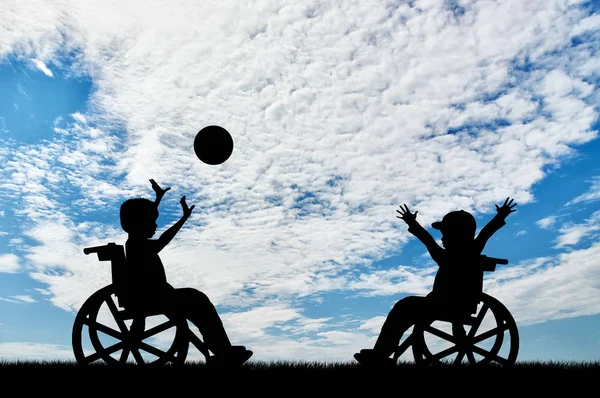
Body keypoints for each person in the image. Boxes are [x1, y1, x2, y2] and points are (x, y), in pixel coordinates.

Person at [354, 198, 517, 366]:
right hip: (454, 303)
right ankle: (382, 353)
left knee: (403, 307)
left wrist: (412, 222)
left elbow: (428, 240)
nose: (442, 239)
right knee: (405, 310)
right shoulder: (469, 251)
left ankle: (381, 353)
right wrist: (500, 216)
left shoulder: (451, 255)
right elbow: (484, 234)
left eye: (446, 234)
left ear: (458, 234)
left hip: (443, 304)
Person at [119, 178, 253, 366]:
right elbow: (162, 240)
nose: (155, 226)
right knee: (199, 302)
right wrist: (183, 219)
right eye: (152, 222)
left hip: (156, 295)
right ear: (138, 224)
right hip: (155, 297)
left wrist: (157, 199)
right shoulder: (137, 245)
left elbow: (143, 219)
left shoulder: (134, 241)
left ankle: (222, 351)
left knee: (198, 303)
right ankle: (222, 352)